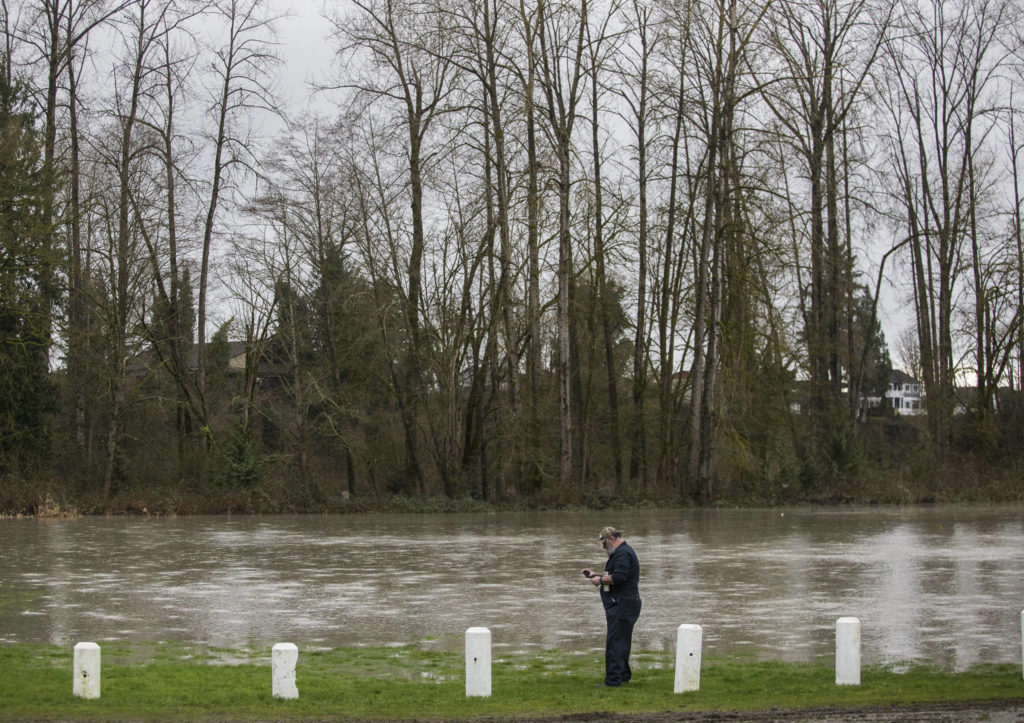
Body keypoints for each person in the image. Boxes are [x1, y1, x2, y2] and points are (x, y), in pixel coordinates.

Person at [582, 526, 641, 687]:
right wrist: (597, 575)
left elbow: (620, 577)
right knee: (621, 641)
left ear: (612, 539)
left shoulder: (622, 553)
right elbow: (616, 574)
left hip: (623, 603)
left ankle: (613, 681)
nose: (603, 548)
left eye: (604, 544)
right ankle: (623, 676)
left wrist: (600, 581)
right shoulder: (623, 552)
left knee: (615, 642)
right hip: (626, 602)